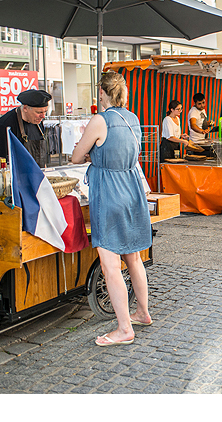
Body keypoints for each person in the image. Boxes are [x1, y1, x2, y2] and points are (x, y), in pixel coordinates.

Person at [72, 72, 152, 346]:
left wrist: (87, 148)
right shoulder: (133, 119)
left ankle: (124, 328)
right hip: (131, 189)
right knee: (134, 258)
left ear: (102, 94)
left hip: (109, 193)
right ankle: (142, 312)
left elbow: (75, 156)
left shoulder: (99, 120)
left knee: (110, 265)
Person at [0, 89, 52, 169]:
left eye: (45, 112)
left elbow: (40, 158)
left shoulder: (38, 122)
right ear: (25, 108)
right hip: (15, 179)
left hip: (35, 177)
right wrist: (14, 179)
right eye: (39, 112)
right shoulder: (6, 124)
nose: (43, 116)